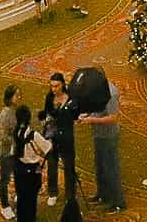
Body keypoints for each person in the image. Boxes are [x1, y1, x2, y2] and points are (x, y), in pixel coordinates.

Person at [79, 80, 126, 212]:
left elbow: (113, 117)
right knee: (100, 166)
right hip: (98, 134)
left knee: (111, 169)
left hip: (108, 136)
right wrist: (86, 115)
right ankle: (103, 195)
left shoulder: (111, 93)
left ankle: (118, 202)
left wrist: (92, 120)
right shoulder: (97, 89)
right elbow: (95, 107)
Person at [42, 72, 82, 205]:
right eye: (51, 86)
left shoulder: (70, 99)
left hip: (66, 136)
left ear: (63, 84)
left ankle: (70, 195)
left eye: (56, 86)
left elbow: (76, 116)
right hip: (52, 137)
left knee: (69, 166)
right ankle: (53, 192)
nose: (53, 89)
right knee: (52, 165)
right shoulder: (49, 97)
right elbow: (46, 113)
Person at [12, 104, 52, 222]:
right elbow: (48, 148)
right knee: (31, 198)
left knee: (21, 195)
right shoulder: (33, 135)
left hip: (19, 168)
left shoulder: (15, 132)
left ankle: (21, 217)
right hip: (32, 170)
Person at [0, 85, 21, 219]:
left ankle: (17, 196)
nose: (19, 97)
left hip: (15, 150)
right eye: (16, 95)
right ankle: (4, 206)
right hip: (5, 152)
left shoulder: (14, 110)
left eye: (19, 95)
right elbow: (3, 136)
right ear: (9, 97)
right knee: (5, 179)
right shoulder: (5, 114)